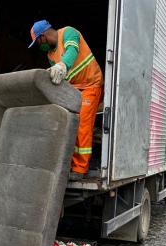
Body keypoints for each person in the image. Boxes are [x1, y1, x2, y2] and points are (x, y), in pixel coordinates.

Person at [29, 20, 104, 181]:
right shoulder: (50, 55)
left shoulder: (68, 33)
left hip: (91, 84)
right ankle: (67, 163)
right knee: (67, 122)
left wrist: (62, 65)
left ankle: (80, 167)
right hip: (73, 88)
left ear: (43, 36)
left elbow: (72, 50)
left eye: (38, 43)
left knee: (82, 122)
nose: (39, 47)